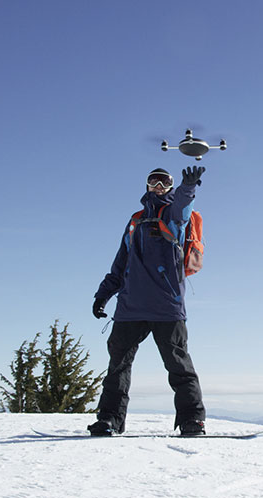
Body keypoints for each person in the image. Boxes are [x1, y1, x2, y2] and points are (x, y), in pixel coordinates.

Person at [89, 166, 207, 437]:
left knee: (178, 366)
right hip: (130, 307)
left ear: (170, 186)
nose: (158, 186)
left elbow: (183, 204)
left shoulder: (175, 216)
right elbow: (120, 262)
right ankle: (109, 419)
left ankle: (192, 421)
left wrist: (188, 187)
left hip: (167, 306)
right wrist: (103, 294)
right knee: (117, 366)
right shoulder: (135, 220)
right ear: (146, 186)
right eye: (153, 181)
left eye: (164, 182)